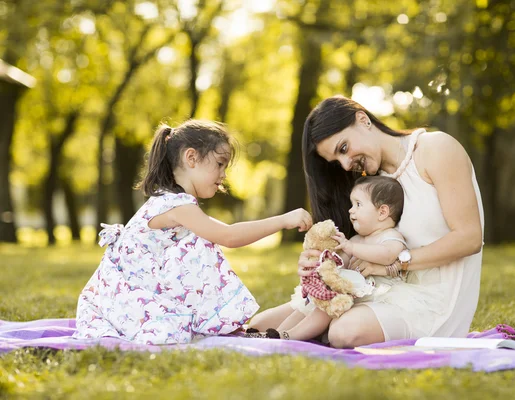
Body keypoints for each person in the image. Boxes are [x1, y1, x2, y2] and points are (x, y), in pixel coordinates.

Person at [249, 95, 484, 348]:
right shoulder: (371, 183)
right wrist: (318, 265)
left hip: (433, 300)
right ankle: (314, 329)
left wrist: (393, 266)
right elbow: (357, 247)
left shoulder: (435, 149)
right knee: (257, 326)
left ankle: (319, 332)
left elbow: (469, 238)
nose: (346, 163)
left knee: (345, 332)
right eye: (337, 161)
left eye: (343, 148)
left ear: (363, 120)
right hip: (379, 288)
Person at [73, 120, 312, 345]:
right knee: (201, 245)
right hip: (122, 305)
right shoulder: (177, 206)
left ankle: (214, 323)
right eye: (220, 164)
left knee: (198, 242)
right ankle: (216, 324)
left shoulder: (174, 202)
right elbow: (229, 236)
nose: (224, 174)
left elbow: (226, 231)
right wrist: (284, 220)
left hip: (126, 300)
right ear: (191, 158)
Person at [246, 176, 407, 340]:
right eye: (352, 205)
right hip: (344, 294)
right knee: (306, 307)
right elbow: (340, 264)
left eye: (358, 204)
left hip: (374, 298)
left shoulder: (391, 236)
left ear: (382, 212)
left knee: (324, 309)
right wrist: (325, 262)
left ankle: (289, 336)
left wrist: (351, 248)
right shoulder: (356, 240)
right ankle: (275, 333)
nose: (351, 210)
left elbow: (387, 255)